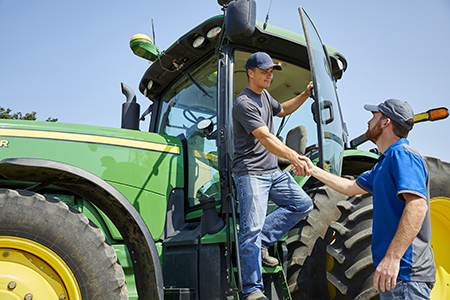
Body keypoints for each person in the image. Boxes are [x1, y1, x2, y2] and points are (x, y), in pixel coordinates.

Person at [295, 99, 436, 299]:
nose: (369, 122)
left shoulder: (403, 156)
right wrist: (312, 169)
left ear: (385, 122)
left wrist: (392, 259)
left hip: (405, 274)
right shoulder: (383, 163)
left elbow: (417, 206)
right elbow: (349, 187)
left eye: (374, 117)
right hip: (392, 276)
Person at [232, 52, 314, 300]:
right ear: (251, 72)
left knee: (303, 203)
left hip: (272, 172)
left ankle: (263, 242)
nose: (270, 74)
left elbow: (283, 109)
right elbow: (266, 137)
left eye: (272, 71)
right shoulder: (244, 103)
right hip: (252, 173)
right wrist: (293, 156)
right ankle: (252, 290)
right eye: (265, 70)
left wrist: (306, 94)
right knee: (250, 231)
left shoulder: (265, 96)